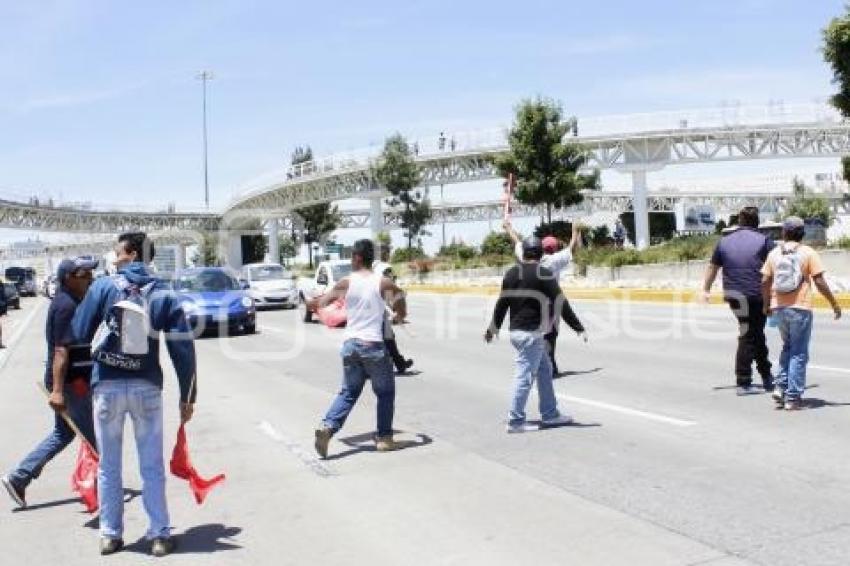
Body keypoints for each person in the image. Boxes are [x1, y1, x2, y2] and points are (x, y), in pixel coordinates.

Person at [71, 232, 197, 557]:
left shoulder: (103, 287)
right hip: (147, 387)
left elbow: (79, 331)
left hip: (107, 387)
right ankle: (158, 535)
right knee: (151, 465)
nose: (114, 254)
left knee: (108, 466)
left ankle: (111, 535)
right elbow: (182, 347)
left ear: (128, 253)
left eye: (117, 250)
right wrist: (188, 395)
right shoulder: (163, 293)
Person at [1, 257, 98, 509]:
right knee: (94, 439)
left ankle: (19, 477)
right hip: (71, 382)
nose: (89, 277)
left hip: (71, 380)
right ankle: (105, 489)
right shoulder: (66, 305)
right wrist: (57, 390)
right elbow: (61, 351)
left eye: (90, 273)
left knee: (63, 433)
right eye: (84, 274)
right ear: (69, 278)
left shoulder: (72, 301)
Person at [312, 239, 407, 458]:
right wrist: (400, 314)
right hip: (372, 346)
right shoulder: (382, 282)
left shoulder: (346, 282)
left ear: (357, 258)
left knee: (348, 392)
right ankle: (384, 438)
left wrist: (312, 304)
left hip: (350, 346)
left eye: (352, 257)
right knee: (385, 393)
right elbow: (400, 296)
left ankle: (327, 428)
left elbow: (322, 303)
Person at [485, 237, 586, 433]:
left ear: (523, 253)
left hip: (517, 332)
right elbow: (560, 303)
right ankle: (515, 421)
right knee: (524, 377)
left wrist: (492, 329)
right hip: (531, 335)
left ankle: (550, 414)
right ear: (540, 254)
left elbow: (502, 304)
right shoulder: (544, 273)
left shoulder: (512, 273)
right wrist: (578, 327)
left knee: (545, 370)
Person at [761, 216, 842, 410]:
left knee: (788, 347)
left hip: (779, 308)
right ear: (802, 233)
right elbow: (820, 282)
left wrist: (766, 305)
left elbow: (764, 281)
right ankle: (793, 397)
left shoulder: (773, 254)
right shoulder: (808, 253)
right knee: (798, 352)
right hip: (800, 307)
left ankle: (780, 387)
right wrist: (834, 303)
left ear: (784, 232)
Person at [702, 206, 775, 394]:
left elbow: (712, 267)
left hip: (733, 296)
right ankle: (743, 380)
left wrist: (706, 289)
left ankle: (767, 376)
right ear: (756, 222)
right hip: (756, 295)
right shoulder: (764, 241)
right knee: (749, 334)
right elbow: (776, 267)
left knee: (754, 332)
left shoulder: (724, 242)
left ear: (739, 221)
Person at [504, 220, 581, 376]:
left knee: (536, 336)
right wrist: (575, 231)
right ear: (554, 249)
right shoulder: (555, 260)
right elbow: (572, 248)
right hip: (550, 306)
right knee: (551, 335)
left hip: (531, 306)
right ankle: (549, 362)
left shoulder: (527, 257)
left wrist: (509, 228)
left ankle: (537, 364)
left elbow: (517, 243)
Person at [373, 244, 414, 375]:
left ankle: (399, 363)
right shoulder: (384, 268)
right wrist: (396, 308)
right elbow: (389, 290)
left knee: (387, 337)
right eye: (387, 252)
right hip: (378, 310)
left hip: (371, 308)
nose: (389, 254)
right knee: (386, 337)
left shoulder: (371, 266)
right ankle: (395, 363)